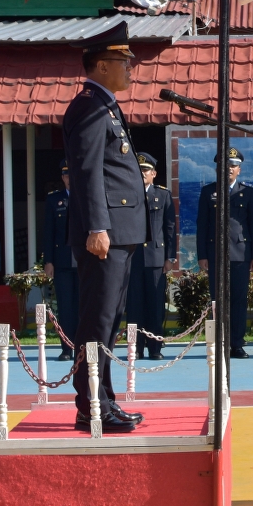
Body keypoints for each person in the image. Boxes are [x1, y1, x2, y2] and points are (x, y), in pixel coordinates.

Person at [62, 22, 147, 433]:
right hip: (105, 234)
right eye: (123, 61)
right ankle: (91, 405)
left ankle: (104, 399)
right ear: (100, 65)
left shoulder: (105, 104)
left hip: (120, 231)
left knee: (109, 320)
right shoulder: (90, 106)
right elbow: (86, 171)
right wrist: (97, 225)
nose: (131, 68)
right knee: (96, 320)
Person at [196, 146, 253, 359]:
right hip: (216, 254)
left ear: (239, 170)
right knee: (218, 301)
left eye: (233, 166)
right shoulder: (208, 192)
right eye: (225, 166)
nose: (229, 169)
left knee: (239, 300)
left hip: (241, 254)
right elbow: (202, 225)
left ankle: (237, 343)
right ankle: (220, 343)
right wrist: (202, 255)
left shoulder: (248, 192)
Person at [128, 153, 178, 359]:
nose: (142, 174)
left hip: (156, 257)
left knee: (155, 305)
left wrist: (170, 257)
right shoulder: (127, 194)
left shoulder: (163, 195)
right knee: (134, 306)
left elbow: (169, 228)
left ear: (154, 174)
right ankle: (135, 348)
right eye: (139, 170)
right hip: (133, 258)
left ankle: (155, 348)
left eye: (145, 170)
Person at [43, 159, 78, 361]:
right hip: (62, 261)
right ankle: (66, 348)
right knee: (65, 306)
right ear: (62, 177)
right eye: (66, 175)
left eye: (72, 174)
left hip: (83, 261)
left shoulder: (87, 196)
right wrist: (48, 261)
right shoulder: (53, 200)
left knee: (82, 306)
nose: (69, 179)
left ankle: (81, 346)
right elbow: (48, 233)